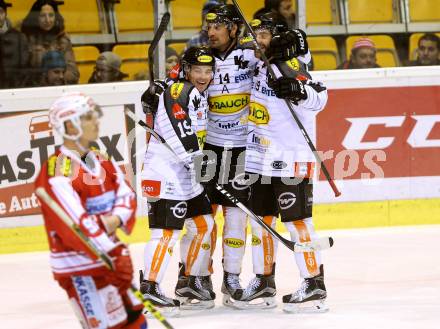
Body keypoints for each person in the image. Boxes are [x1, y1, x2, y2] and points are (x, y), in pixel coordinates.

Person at [232, 13, 329, 313]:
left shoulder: (291, 63)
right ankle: (264, 280)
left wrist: (299, 90)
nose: (256, 39)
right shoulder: (260, 61)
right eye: (256, 33)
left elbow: (321, 96)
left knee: (298, 222)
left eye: (262, 34)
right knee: (262, 222)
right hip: (261, 160)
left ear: (276, 36)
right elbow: (242, 44)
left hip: (290, 161)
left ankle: (313, 283)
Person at [35, 92, 147, 329]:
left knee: (136, 321)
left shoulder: (101, 159)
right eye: (87, 117)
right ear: (68, 125)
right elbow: (75, 226)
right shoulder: (57, 171)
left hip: (110, 258)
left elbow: (126, 196)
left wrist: (112, 221)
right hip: (81, 269)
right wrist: (112, 250)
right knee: (111, 326)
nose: (95, 120)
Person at [140, 46, 217, 313]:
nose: (203, 75)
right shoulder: (178, 90)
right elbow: (177, 129)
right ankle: (149, 288)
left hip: (185, 175)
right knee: (165, 233)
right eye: (198, 70)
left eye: (208, 71)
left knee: (203, 224)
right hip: (165, 173)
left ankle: (190, 281)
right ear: (186, 70)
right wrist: (196, 160)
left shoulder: (194, 93)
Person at [21, 0, 79, 84]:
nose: (47, 20)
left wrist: (56, 78)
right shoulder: (25, 40)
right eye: (42, 16)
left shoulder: (63, 39)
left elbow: (73, 73)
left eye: (51, 15)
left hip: (60, 89)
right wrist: (44, 79)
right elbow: (20, 74)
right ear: (35, 18)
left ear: (56, 17)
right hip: (34, 90)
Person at [0, 0, 30, 88]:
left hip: (13, 90)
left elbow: (25, 69)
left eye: (0, 12)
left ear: (5, 14)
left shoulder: (19, 37)